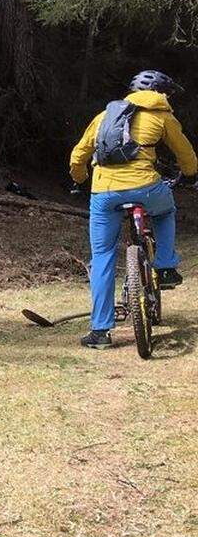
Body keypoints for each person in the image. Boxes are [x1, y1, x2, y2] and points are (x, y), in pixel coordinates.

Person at [69, 70, 198, 350]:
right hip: (146, 188)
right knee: (165, 211)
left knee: (102, 256)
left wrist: (80, 180)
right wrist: (190, 173)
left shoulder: (105, 116)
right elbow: (185, 152)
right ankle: (164, 267)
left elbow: (79, 154)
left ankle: (100, 332)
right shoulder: (163, 116)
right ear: (161, 93)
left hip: (104, 193)